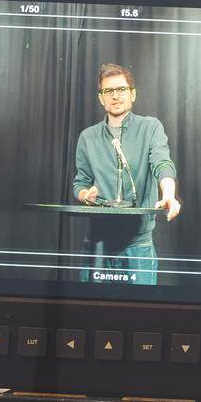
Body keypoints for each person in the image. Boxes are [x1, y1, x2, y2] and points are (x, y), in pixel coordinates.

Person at [72, 63, 181, 285]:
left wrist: (169, 193)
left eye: (121, 89)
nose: (115, 96)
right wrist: (85, 195)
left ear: (132, 94)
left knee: (139, 315)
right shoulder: (87, 137)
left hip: (137, 247)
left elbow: (162, 163)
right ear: (101, 98)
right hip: (97, 245)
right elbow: (79, 183)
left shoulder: (150, 127)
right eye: (108, 91)